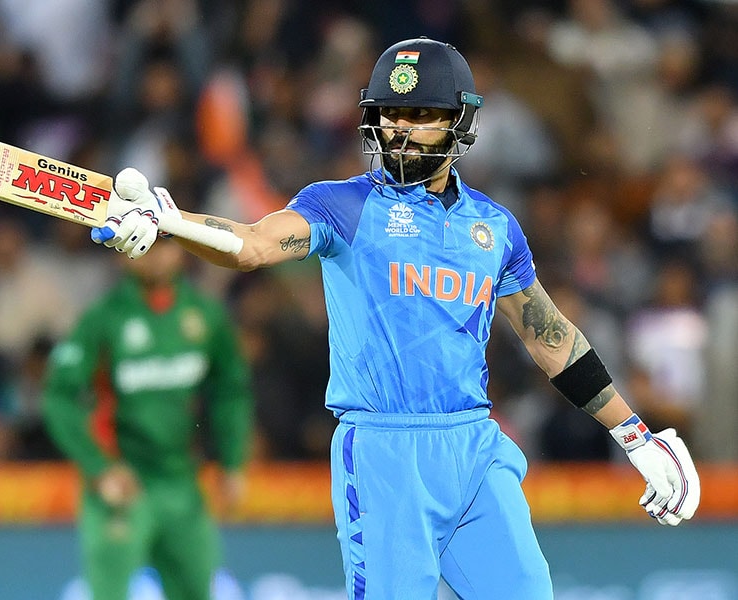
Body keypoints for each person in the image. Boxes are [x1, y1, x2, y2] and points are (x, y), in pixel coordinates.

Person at [94, 37, 700, 599]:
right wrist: (173, 224)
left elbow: (550, 339)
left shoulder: (493, 228)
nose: (400, 129)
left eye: (421, 114)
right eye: (390, 113)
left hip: (475, 449)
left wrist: (636, 436)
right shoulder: (342, 205)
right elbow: (253, 244)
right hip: (384, 453)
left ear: (460, 121)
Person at [42, 238, 253, 600]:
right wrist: (99, 467)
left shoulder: (205, 315)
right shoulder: (103, 318)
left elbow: (230, 390)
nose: (156, 256)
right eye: (145, 246)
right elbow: (60, 397)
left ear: (183, 249)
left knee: (197, 592)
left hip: (183, 484)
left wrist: (232, 462)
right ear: (124, 254)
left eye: (166, 244)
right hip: (122, 487)